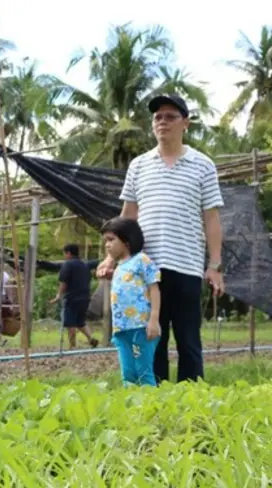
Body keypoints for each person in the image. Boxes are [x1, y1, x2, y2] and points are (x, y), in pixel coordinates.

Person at [96, 94, 224, 384]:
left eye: (170, 116)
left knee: (189, 339)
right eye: (157, 117)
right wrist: (110, 257)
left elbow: (212, 219)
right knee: (153, 337)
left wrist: (214, 265)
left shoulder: (203, 165)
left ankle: (192, 399)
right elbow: (128, 215)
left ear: (185, 123)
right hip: (146, 269)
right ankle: (157, 398)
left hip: (187, 265)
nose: (162, 122)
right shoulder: (139, 166)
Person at [101, 217, 161, 387]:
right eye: (106, 240)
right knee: (128, 373)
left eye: (111, 240)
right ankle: (132, 406)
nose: (107, 245)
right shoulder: (119, 267)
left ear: (126, 241)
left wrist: (154, 320)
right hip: (121, 328)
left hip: (141, 327)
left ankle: (152, 406)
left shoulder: (142, 261)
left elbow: (154, 289)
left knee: (144, 371)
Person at [50, 244, 99, 349]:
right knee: (80, 321)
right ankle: (91, 339)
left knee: (70, 322)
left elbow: (63, 282)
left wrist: (59, 295)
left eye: (64, 253)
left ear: (68, 253)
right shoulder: (85, 264)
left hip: (72, 297)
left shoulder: (67, 265)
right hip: (85, 297)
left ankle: (72, 345)